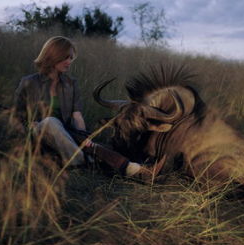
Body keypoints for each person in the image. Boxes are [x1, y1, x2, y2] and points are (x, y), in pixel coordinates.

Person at [13, 36, 160, 180]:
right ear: (53, 56)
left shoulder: (71, 83)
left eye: (71, 58)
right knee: (50, 122)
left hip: (66, 133)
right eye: (66, 57)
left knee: (95, 144)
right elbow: (16, 116)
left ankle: (137, 169)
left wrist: (84, 136)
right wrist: (27, 127)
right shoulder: (29, 82)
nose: (69, 62)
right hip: (38, 133)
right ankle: (85, 161)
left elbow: (77, 115)